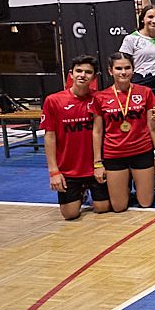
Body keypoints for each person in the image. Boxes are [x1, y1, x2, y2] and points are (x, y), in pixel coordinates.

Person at [92, 52, 155, 211]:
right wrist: (98, 163)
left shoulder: (145, 92)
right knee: (119, 207)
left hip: (141, 151)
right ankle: (125, 184)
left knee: (145, 203)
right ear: (110, 71)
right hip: (114, 154)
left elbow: (152, 126)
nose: (123, 72)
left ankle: (134, 182)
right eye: (118, 68)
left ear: (133, 69)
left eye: (127, 68)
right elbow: (97, 132)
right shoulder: (100, 97)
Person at [43, 55, 110, 219]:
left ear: (94, 77)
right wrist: (53, 172)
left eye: (88, 72)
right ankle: (80, 192)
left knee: (103, 208)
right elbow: (49, 137)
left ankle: (90, 189)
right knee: (70, 214)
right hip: (69, 170)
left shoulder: (99, 99)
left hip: (95, 167)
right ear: (71, 74)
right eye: (78, 71)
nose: (83, 75)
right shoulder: (53, 101)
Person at [121, 4, 155, 185]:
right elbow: (123, 65)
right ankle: (142, 170)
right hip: (140, 88)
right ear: (142, 19)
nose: (153, 21)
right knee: (141, 128)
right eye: (149, 17)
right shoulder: (131, 39)